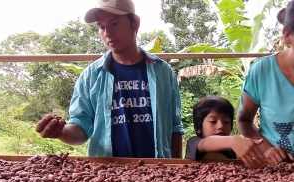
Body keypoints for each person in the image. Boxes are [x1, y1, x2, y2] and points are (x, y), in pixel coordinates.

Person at [35, 0, 184, 158]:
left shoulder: (163, 71)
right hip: (107, 174)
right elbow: (81, 127)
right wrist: (61, 132)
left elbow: (175, 126)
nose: (107, 32)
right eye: (101, 27)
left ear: (135, 23)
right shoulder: (91, 76)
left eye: (114, 23)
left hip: (157, 173)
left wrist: (176, 168)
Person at [237, 0, 294, 166]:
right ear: (286, 35)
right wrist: (268, 150)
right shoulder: (262, 70)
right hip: (275, 169)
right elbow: (244, 120)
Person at [185, 96, 265, 167]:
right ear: (198, 127)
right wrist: (233, 141)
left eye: (226, 122)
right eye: (213, 121)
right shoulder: (193, 142)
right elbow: (205, 143)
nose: (221, 126)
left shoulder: (232, 150)